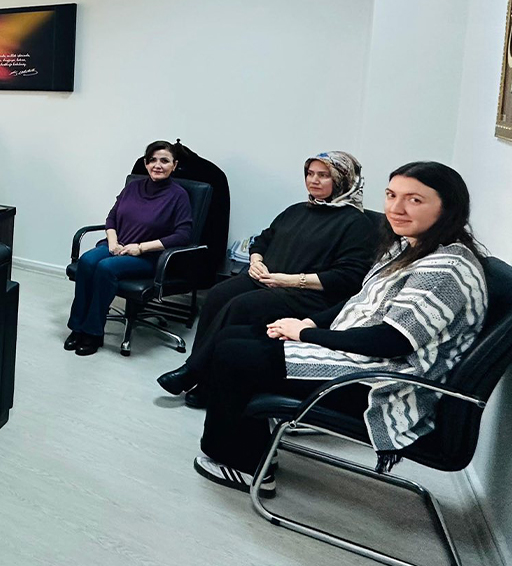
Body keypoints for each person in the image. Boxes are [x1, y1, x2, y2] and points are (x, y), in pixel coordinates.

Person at [189, 162, 488, 496]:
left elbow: (390, 341)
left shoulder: (445, 269)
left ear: (448, 208)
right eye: (391, 195)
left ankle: (243, 465)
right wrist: (311, 322)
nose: (396, 208)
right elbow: (360, 300)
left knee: (237, 354)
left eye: (414, 200)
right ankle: (251, 447)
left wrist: (305, 334)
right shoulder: (410, 247)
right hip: (364, 358)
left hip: (386, 384)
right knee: (236, 336)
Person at [157, 152, 378, 407]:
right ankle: (201, 373)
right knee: (219, 294)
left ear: (343, 180)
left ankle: (199, 377)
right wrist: (256, 262)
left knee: (242, 306)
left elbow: (348, 277)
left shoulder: (357, 224)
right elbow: (262, 240)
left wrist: (289, 280)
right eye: (310, 173)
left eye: (323, 175)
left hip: (308, 296)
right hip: (268, 281)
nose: (313, 180)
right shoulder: (297, 210)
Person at [64, 140, 193, 356]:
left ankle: (93, 333)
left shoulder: (178, 195)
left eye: (164, 161)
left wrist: (140, 248)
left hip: (148, 256)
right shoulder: (133, 187)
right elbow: (112, 217)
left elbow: (183, 235)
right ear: (146, 163)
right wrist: (113, 242)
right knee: (87, 261)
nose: (157, 165)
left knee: (106, 268)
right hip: (118, 244)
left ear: (174, 165)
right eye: (152, 160)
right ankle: (77, 327)